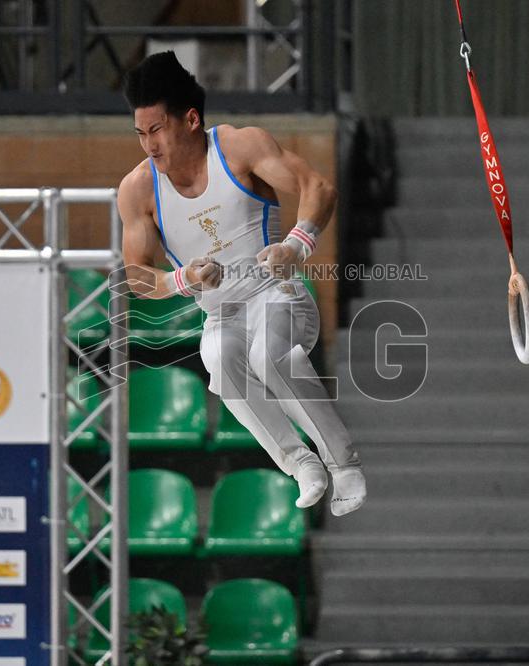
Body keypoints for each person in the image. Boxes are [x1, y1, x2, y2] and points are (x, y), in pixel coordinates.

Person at [116, 51, 365, 516]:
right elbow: (136, 278)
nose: (148, 145)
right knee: (218, 357)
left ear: (190, 120)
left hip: (278, 294)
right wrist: (183, 278)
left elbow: (319, 189)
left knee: (267, 355)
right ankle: (300, 464)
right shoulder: (138, 190)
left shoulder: (238, 147)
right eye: (140, 134)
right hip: (222, 312)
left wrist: (295, 246)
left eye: (156, 130)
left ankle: (344, 462)